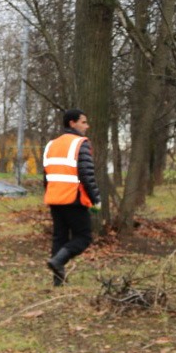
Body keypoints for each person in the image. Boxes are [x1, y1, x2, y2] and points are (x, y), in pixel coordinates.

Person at [42, 108, 101, 286]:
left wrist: (49, 193)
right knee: (84, 237)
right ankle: (58, 262)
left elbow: (45, 174)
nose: (87, 126)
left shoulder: (51, 144)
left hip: (54, 197)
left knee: (59, 237)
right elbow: (87, 174)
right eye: (83, 122)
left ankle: (57, 282)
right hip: (74, 198)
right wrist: (96, 199)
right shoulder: (80, 143)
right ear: (72, 123)